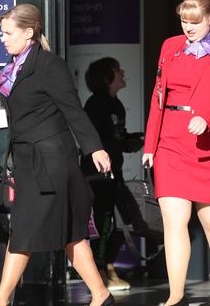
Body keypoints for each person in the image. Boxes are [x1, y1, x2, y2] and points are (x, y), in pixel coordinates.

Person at [0, 4, 115, 306]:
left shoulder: (49, 65)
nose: (2, 38)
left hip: (51, 163)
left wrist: (95, 147)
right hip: (29, 162)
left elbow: (71, 109)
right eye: (2, 32)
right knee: (71, 232)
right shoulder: (13, 69)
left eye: (7, 33)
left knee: (23, 229)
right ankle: (101, 295)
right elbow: (17, 115)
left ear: (28, 33)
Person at [142, 0, 210, 306]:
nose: (188, 27)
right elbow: (159, 95)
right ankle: (175, 293)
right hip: (171, 142)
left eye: (195, 22)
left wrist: (207, 117)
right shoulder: (170, 46)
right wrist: (150, 144)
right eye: (184, 21)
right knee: (174, 220)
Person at [81, 57, 144, 291]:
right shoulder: (96, 104)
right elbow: (93, 140)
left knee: (120, 222)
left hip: (114, 174)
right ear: (107, 77)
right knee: (103, 222)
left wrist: (129, 142)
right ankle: (100, 271)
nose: (123, 72)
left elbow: (116, 137)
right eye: (117, 70)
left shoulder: (116, 105)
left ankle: (106, 266)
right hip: (97, 177)